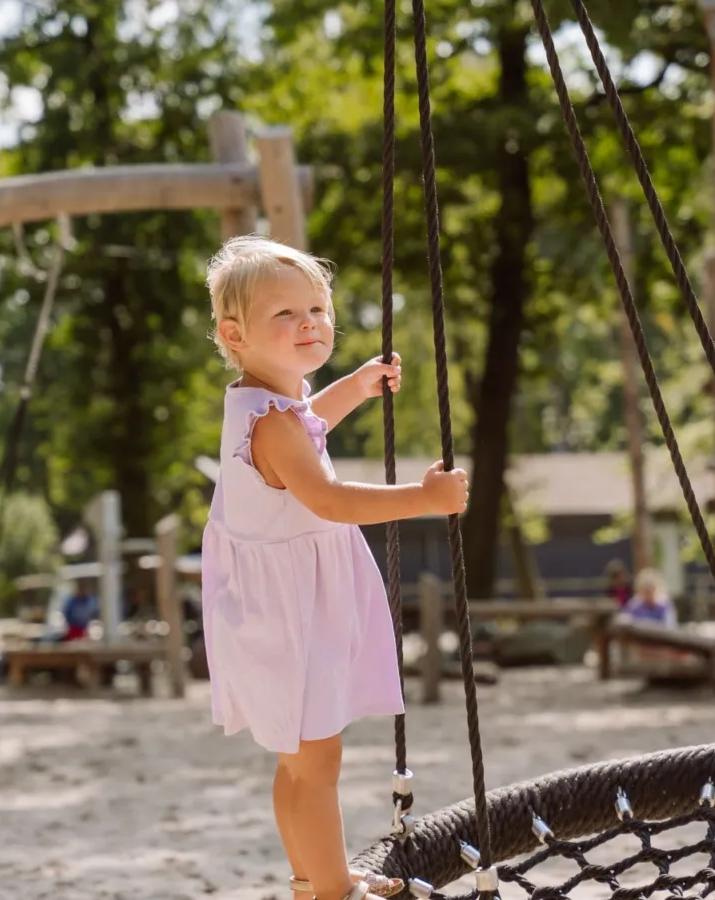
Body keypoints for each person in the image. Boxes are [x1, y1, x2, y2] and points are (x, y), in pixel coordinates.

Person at [200, 235, 469, 900]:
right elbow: (328, 499)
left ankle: (313, 879)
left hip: (276, 609)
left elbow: (310, 424)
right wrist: (424, 499)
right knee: (318, 763)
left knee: (298, 763)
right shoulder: (273, 424)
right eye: (284, 316)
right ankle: (333, 891)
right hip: (291, 612)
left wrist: (353, 386)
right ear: (234, 335)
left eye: (316, 309)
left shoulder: (267, 407)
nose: (309, 324)